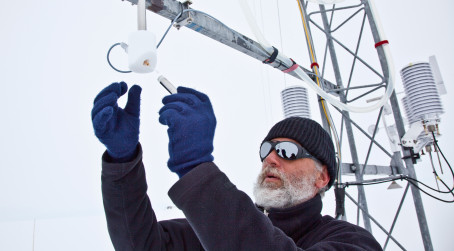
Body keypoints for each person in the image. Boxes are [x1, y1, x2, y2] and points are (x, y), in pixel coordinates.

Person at [92, 82, 383, 250]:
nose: (271, 158)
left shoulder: (351, 241)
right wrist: (123, 163)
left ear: (322, 177)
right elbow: (141, 245)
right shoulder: (210, 231)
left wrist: (196, 170)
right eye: (267, 149)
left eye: (287, 151)